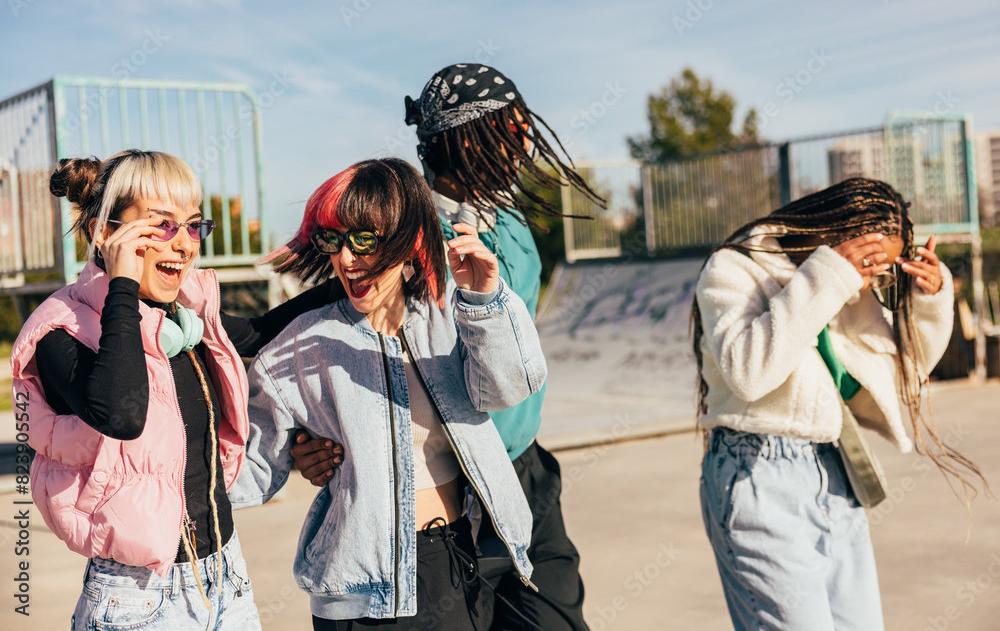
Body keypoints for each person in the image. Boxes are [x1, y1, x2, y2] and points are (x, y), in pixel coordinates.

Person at [291, 63, 600, 631]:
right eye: (510, 128)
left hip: (523, 473)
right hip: (449, 497)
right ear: (464, 141)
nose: (526, 140)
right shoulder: (402, 231)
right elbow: (327, 327)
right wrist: (304, 437)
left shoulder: (509, 223)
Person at [10, 149, 342, 630]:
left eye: (192, 226)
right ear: (105, 234)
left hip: (226, 579)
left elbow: (257, 329)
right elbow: (121, 413)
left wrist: (358, 277)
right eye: (161, 226)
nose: (184, 244)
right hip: (138, 598)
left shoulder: (184, 321)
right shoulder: (63, 333)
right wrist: (121, 284)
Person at [228, 157, 545, 630]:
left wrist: (484, 298)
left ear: (407, 239)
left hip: (458, 564)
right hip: (359, 593)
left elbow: (509, 386)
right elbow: (248, 473)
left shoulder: (451, 317)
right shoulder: (297, 348)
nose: (346, 259)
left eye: (364, 241)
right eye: (333, 239)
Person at [692, 177, 987, 630]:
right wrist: (830, 275)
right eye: (871, 262)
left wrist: (929, 301)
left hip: (833, 471)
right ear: (836, 231)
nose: (873, 277)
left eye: (885, 270)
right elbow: (749, 373)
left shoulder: (850, 291)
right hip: (756, 475)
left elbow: (902, 375)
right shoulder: (734, 269)